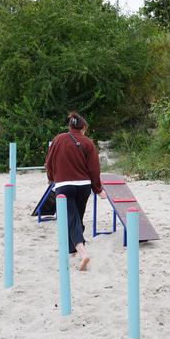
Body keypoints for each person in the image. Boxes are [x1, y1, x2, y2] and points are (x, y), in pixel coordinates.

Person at [45, 112, 106, 271]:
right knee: (76, 218)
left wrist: (52, 179)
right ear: (83, 127)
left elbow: (49, 162)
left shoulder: (58, 139)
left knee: (71, 220)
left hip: (64, 186)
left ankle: (82, 252)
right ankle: (73, 250)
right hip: (84, 186)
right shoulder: (88, 142)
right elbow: (94, 169)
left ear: (69, 126)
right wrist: (98, 189)